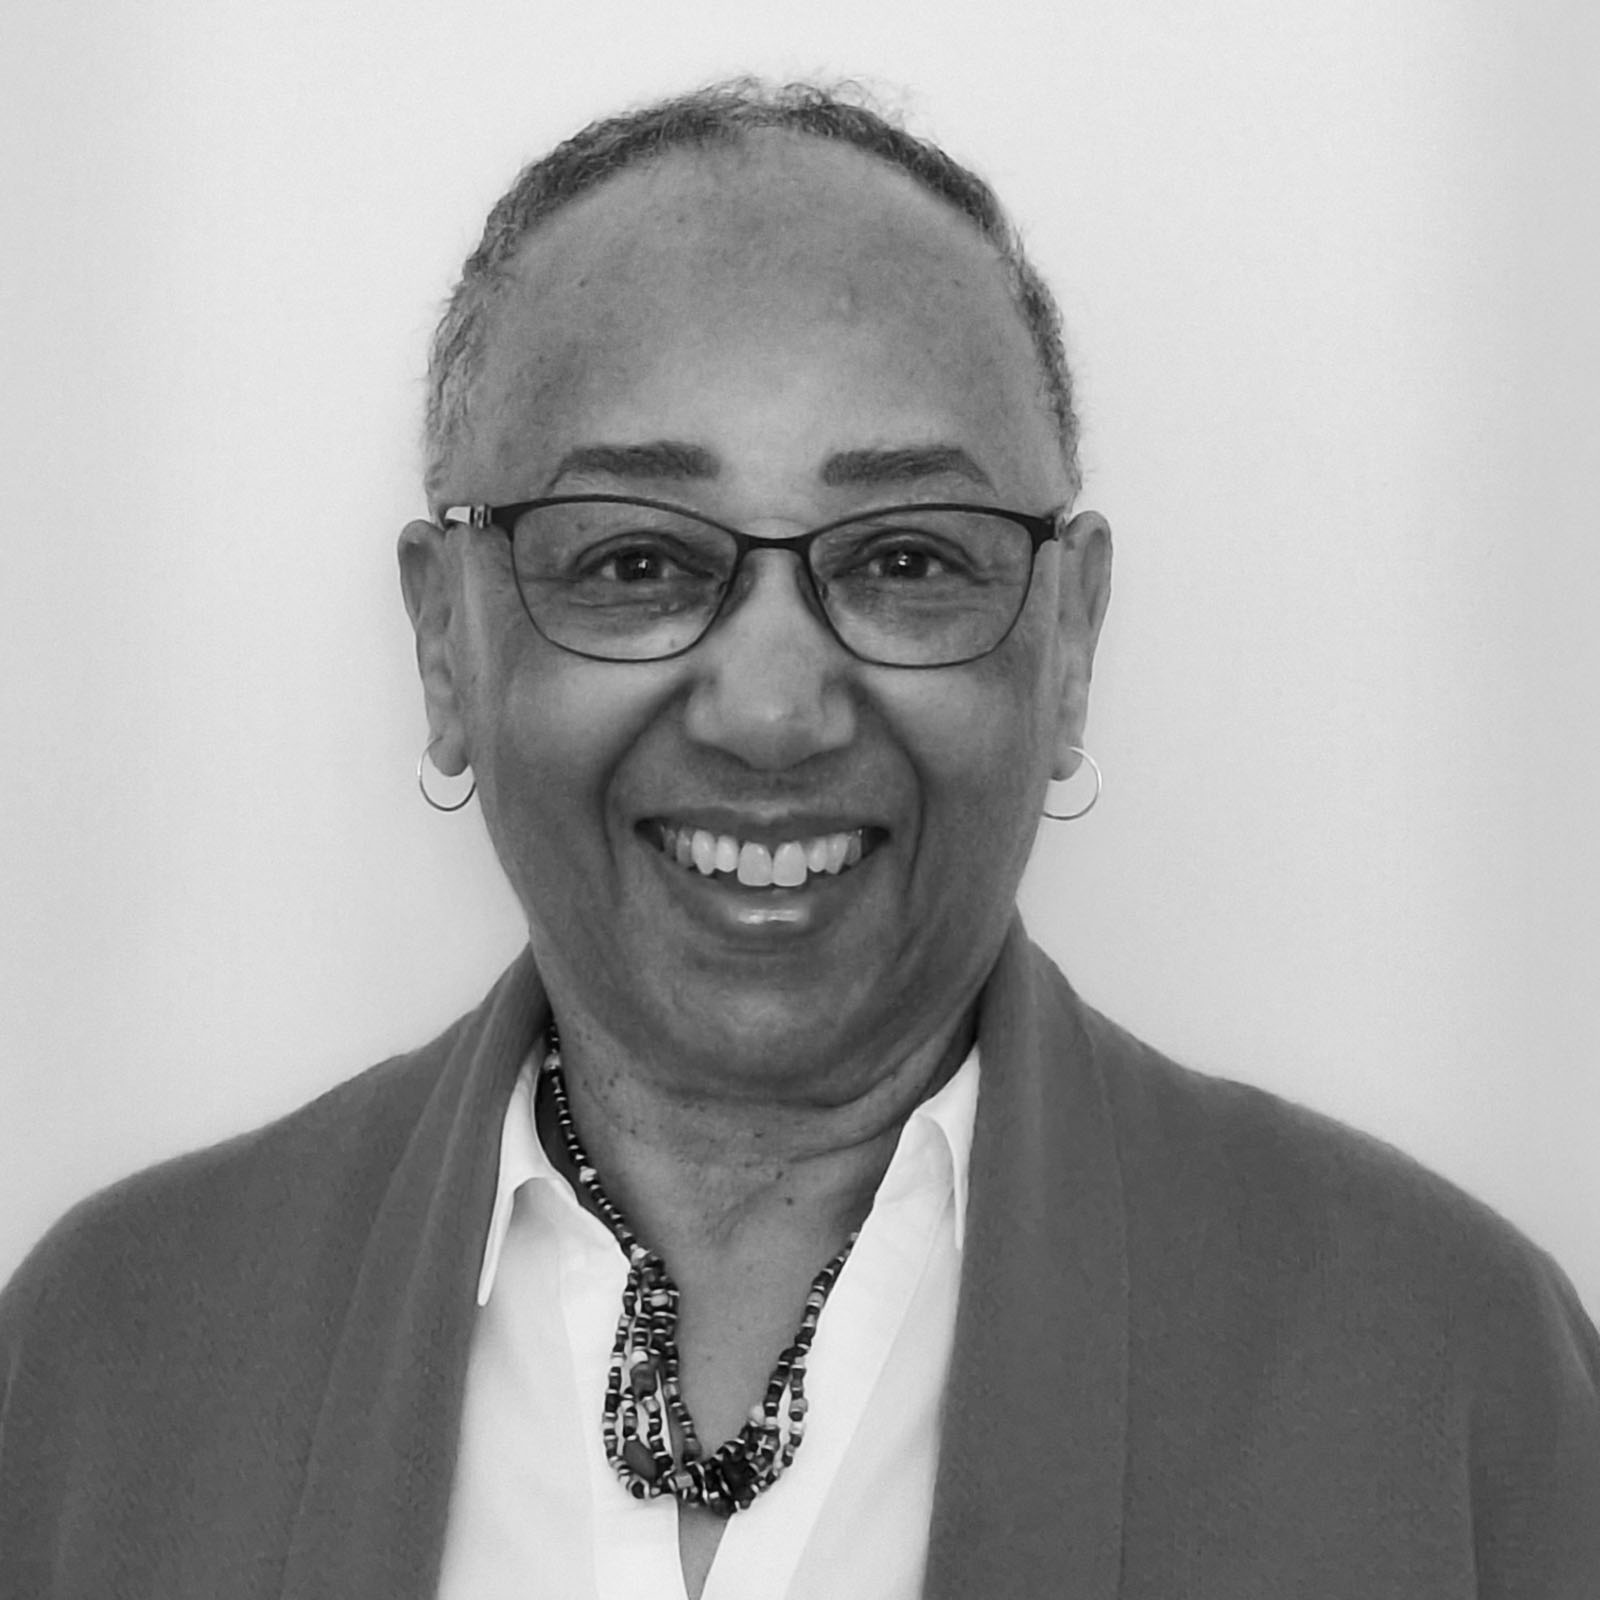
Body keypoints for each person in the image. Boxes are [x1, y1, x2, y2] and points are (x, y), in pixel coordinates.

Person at [2, 78, 1596, 1600]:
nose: (770, 709)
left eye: (908, 558)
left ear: (1069, 645)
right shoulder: (109, 1364)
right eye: (633, 562)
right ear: (445, 645)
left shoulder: (1446, 1373)